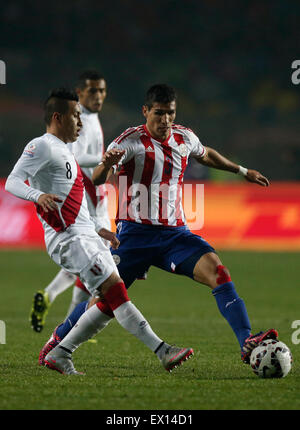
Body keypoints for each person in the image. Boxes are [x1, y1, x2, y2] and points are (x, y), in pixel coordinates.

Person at [39, 84, 278, 369]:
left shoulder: (184, 137)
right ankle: (58, 341)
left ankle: (246, 343)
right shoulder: (130, 141)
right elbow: (100, 177)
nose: (165, 120)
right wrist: (106, 165)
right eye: (159, 113)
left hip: (175, 235)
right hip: (134, 236)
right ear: (146, 111)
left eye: (170, 113)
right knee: (106, 300)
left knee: (219, 272)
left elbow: (206, 153)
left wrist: (242, 171)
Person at [5, 87, 193, 375]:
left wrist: (98, 228)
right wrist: (37, 196)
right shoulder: (40, 146)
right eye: (76, 116)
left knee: (107, 299)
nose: (81, 122)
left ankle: (61, 352)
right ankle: (162, 350)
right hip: (68, 239)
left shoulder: (65, 151)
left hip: (87, 235)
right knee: (115, 292)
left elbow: (72, 198)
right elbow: (13, 182)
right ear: (58, 117)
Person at [30, 70, 113, 333]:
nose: (98, 96)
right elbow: (72, 157)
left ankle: (52, 297)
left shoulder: (91, 118)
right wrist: (107, 159)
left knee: (87, 262)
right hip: (87, 199)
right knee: (94, 262)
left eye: (101, 90)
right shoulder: (82, 120)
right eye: (92, 91)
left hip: (94, 198)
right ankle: (72, 327)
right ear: (80, 94)